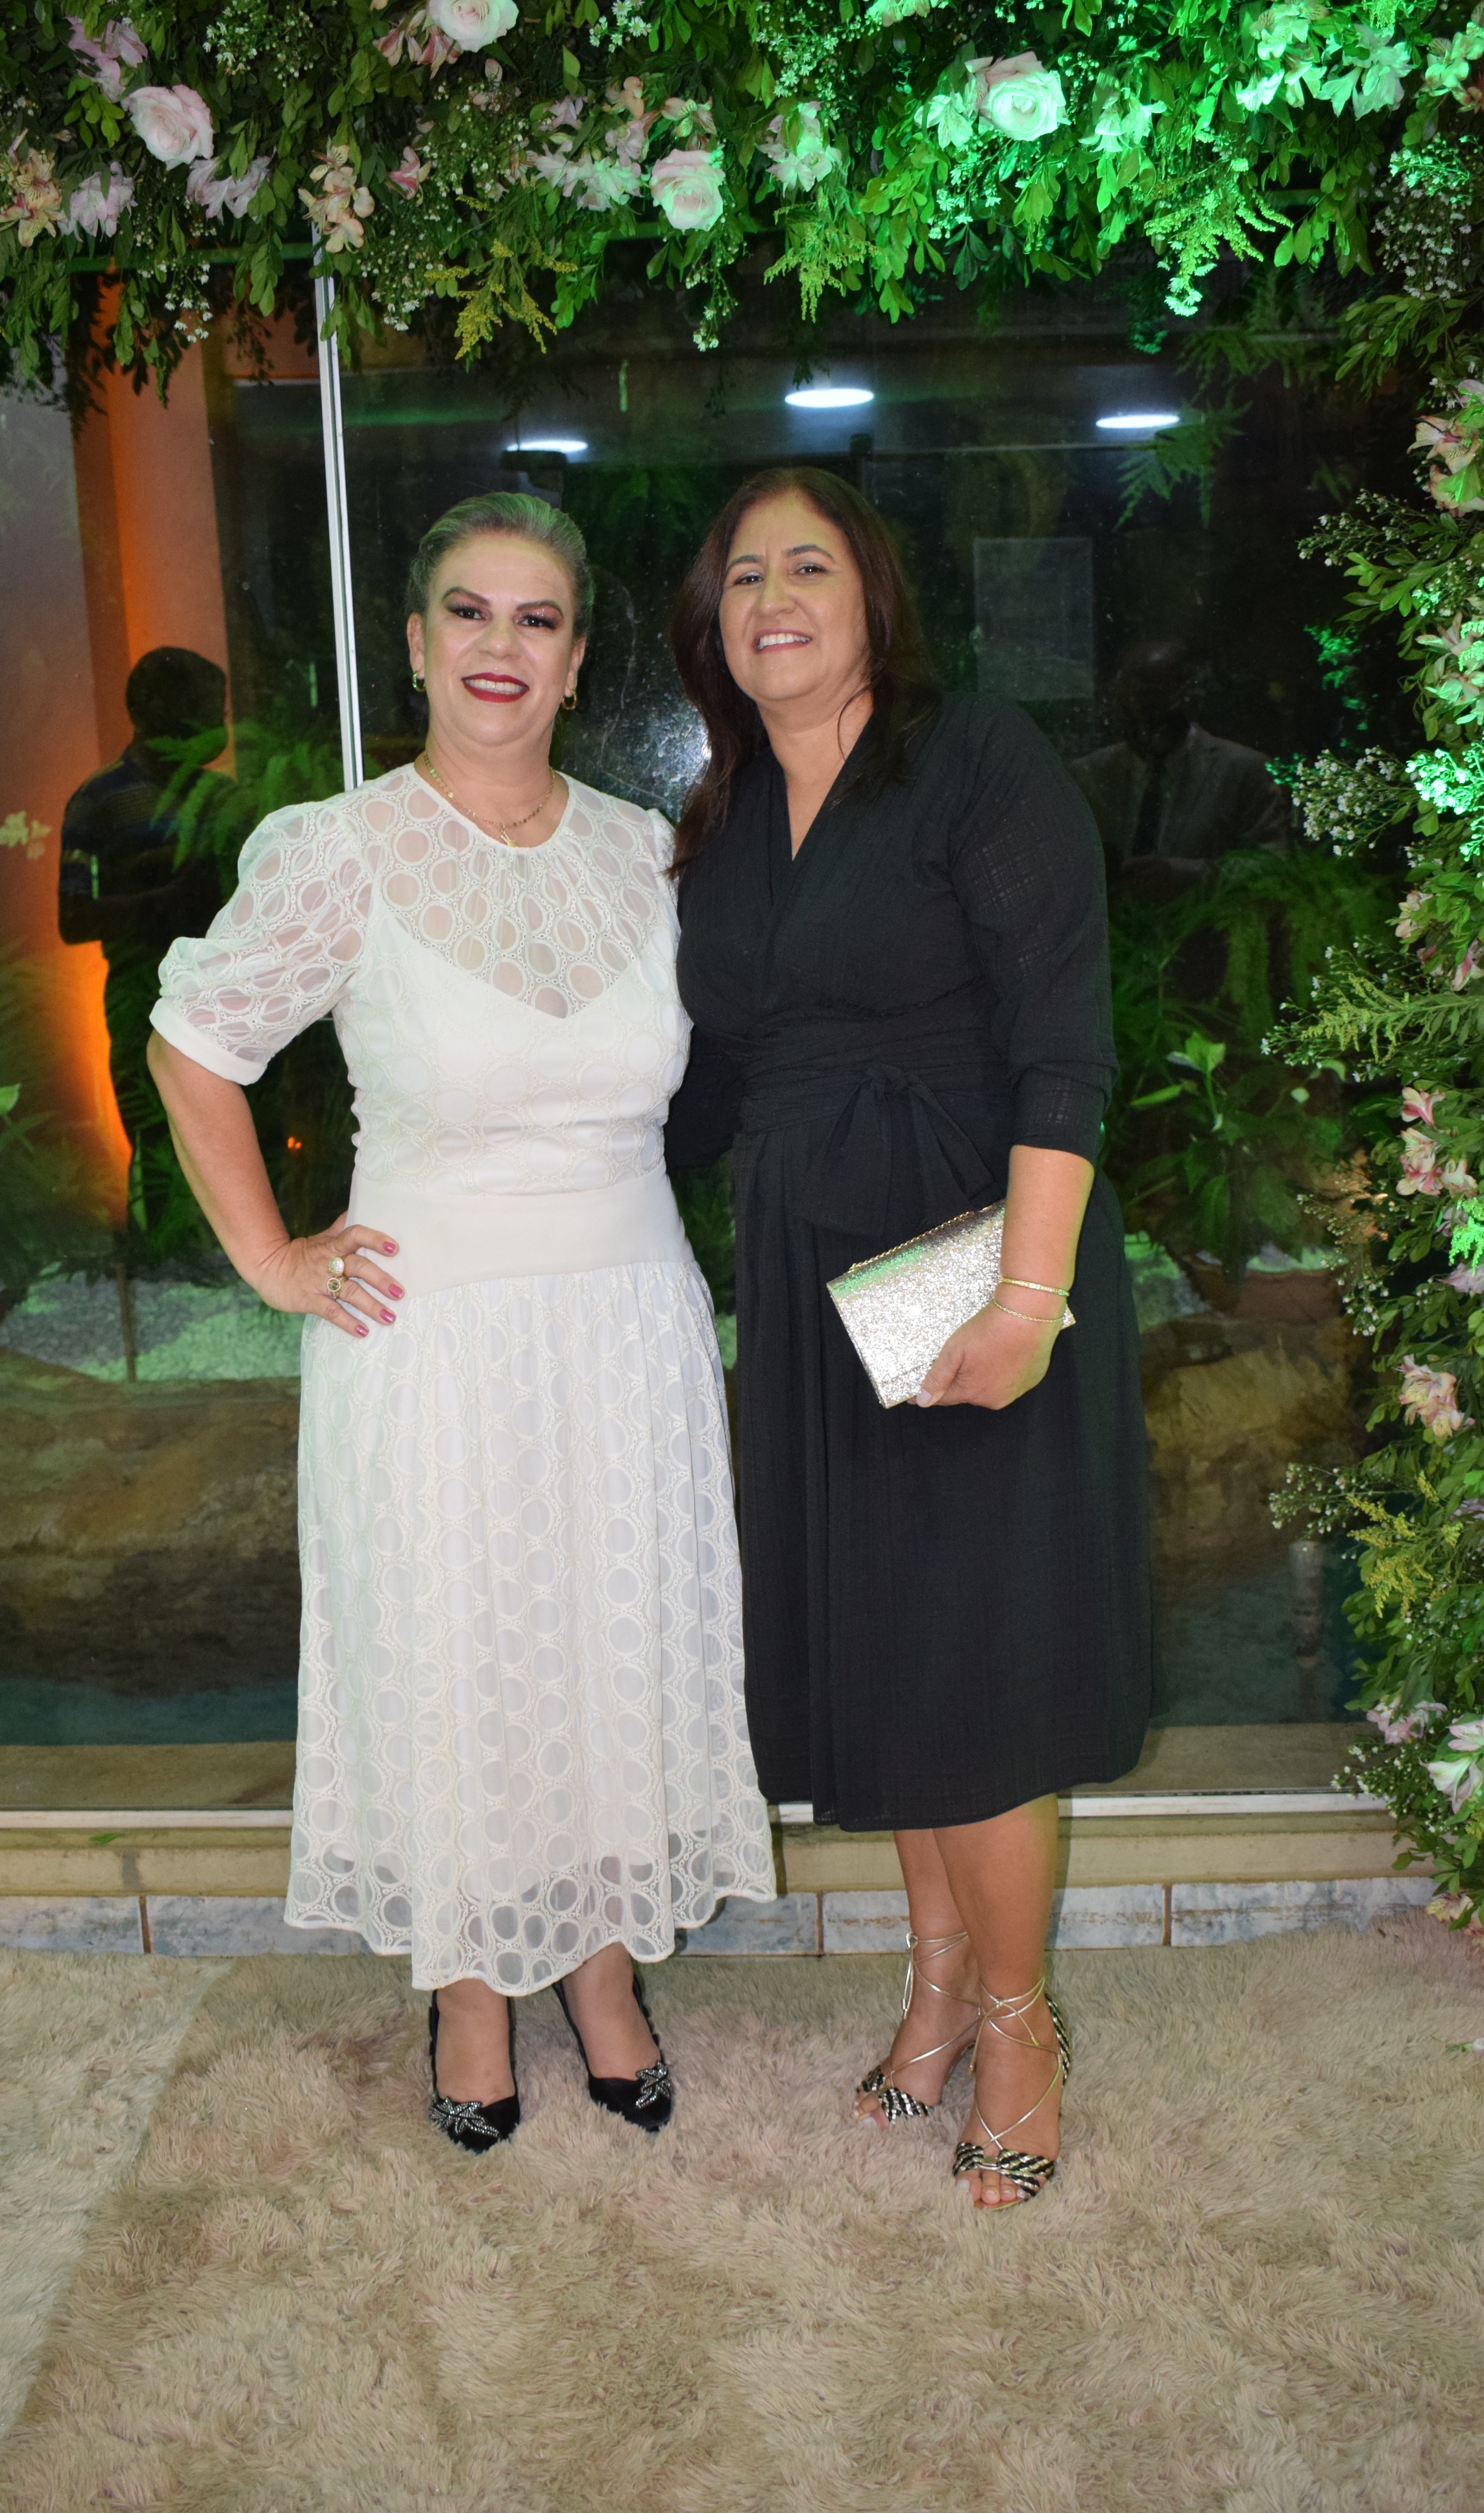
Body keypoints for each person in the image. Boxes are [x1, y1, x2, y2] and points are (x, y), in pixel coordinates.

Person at [148, 493, 775, 2153]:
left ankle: (599, 1963)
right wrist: (271, 1258)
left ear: (577, 660)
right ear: (417, 644)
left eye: (538, 618)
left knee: (608, 1647)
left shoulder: (648, 853)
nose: (503, 645)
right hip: (428, 1346)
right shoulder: (339, 850)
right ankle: (472, 1985)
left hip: (627, 1332)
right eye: (470, 613)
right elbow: (193, 1045)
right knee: (459, 1657)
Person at [666, 469, 1152, 2209]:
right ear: (711, 626)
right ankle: (939, 1983)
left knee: (972, 1670)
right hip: (810, 1275)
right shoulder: (724, 818)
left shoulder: (972, 760)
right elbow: (700, 1085)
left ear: (872, 594)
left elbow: (1062, 1044)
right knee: (892, 1655)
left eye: (805, 565)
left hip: (964, 1250)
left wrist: (1025, 1295)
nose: (771, 598)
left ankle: (1018, 2027)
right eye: (741, 576)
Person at [59, 646, 232, 1227]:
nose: (216, 723)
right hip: (142, 994)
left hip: (223, 990)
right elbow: (74, 919)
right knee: (153, 1136)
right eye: (202, 708)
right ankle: (157, 1249)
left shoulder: (222, 799)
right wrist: (162, 900)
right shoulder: (99, 799)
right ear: (152, 708)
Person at [1071, 638, 1289, 900]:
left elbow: (1272, 867)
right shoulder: (1088, 774)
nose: (1146, 720)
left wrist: (1189, 878)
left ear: (1192, 698)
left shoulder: (1243, 771)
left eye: (1158, 700)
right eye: (1132, 703)